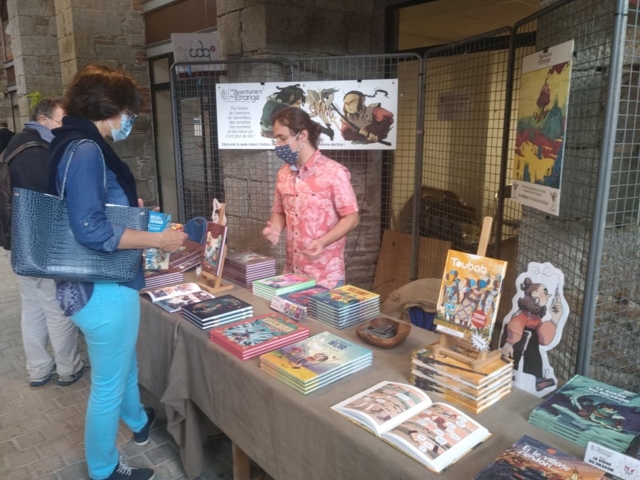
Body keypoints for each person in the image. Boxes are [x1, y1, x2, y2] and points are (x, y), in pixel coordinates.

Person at [46, 65, 187, 480]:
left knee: (124, 366)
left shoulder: (67, 142)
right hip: (103, 287)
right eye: (129, 112)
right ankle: (105, 469)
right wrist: (159, 242)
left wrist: (127, 208)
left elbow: (86, 209)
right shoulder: (87, 149)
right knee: (107, 386)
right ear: (110, 107)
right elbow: (91, 227)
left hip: (84, 285)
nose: (130, 122)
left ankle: (140, 424)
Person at [5, 98, 88, 387]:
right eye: (61, 119)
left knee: (33, 308)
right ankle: (68, 367)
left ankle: (39, 369)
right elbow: (49, 202)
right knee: (57, 306)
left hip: (20, 243)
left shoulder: (16, 146)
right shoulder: (37, 152)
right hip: (43, 244)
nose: (63, 126)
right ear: (43, 120)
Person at [262, 108, 359, 288]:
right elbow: (279, 212)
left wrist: (323, 242)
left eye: (282, 138)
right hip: (292, 272)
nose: (277, 144)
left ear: (302, 135)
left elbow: (351, 218)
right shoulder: (283, 173)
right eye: (276, 138)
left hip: (325, 276)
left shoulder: (334, 173)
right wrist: (275, 228)